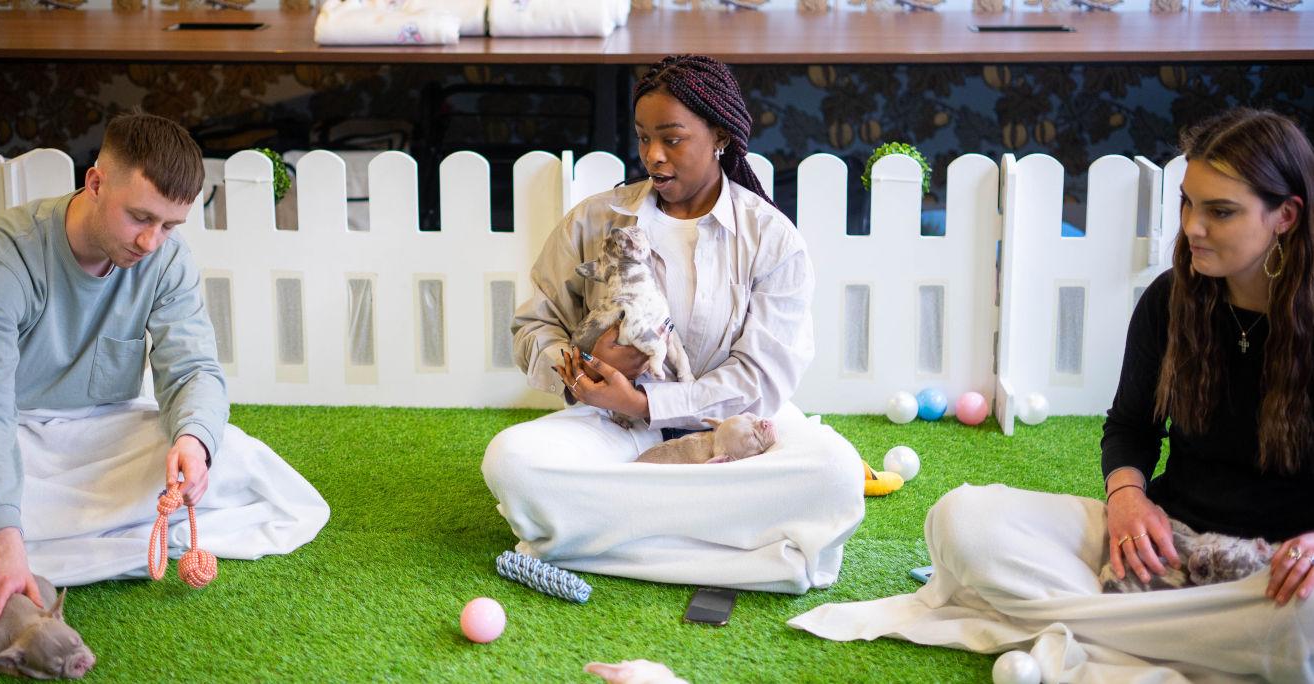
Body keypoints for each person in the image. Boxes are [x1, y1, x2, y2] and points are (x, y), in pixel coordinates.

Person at [790, 108, 1314, 680]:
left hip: (1279, 571)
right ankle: (1191, 636)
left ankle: (1119, 629)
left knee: (1306, 619)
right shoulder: (1172, 299)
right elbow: (1131, 428)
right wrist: (1128, 501)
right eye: (1187, 202)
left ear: (1285, 215)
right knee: (962, 519)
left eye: (1221, 212)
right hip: (1166, 546)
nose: (1192, 226)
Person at [0, 113, 329, 637]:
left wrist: (193, 444)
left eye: (169, 226)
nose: (151, 242)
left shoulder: (167, 261)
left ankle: (15, 533)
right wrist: (4, 547)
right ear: (95, 183)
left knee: (242, 461)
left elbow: (194, 369)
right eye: (140, 217)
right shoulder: (0, 254)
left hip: (97, 437)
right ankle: (21, 536)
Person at [482, 55, 863, 594]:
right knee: (512, 462)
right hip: (613, 432)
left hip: (733, 435)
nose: (653, 157)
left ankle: (596, 540)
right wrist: (585, 369)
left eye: (673, 139)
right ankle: (744, 555)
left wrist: (646, 404)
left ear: (722, 137)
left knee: (834, 473)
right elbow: (533, 327)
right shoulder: (596, 220)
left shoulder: (771, 238)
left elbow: (762, 381)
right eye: (642, 138)